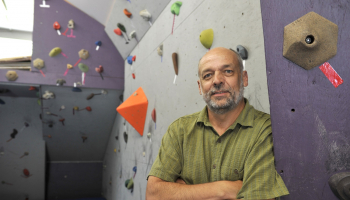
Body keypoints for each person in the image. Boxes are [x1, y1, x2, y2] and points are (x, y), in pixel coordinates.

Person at [146, 47, 289, 200]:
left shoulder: (265, 129)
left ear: (244, 78)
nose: (217, 80)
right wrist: (224, 190)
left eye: (228, 71)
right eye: (208, 75)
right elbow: (154, 194)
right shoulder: (179, 130)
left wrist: (183, 191)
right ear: (200, 87)